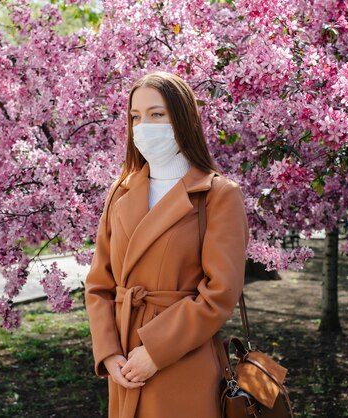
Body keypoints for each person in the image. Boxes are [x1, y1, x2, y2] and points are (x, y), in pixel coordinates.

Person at [84, 71, 250, 418]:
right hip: (124, 364)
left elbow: (220, 293)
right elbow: (99, 284)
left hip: (182, 359)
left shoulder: (217, 194)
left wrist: (155, 351)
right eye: (136, 117)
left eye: (157, 114)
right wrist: (109, 352)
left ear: (183, 118)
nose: (144, 126)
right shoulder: (121, 191)